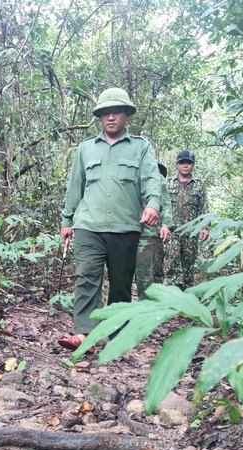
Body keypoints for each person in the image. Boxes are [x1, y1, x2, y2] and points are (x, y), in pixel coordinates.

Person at [58, 87, 164, 350]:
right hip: (88, 225)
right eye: (105, 113)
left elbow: (152, 179)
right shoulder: (85, 149)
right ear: (100, 117)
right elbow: (75, 187)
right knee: (86, 277)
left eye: (117, 112)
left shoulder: (141, 147)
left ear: (127, 114)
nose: (111, 117)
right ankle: (85, 334)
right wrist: (67, 221)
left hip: (125, 226)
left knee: (121, 283)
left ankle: (117, 336)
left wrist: (153, 205)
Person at [165, 150, 209, 290]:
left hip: (191, 232)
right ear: (177, 165)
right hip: (172, 231)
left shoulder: (199, 185)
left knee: (188, 264)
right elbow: (162, 206)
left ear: (193, 165)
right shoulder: (168, 183)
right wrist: (163, 225)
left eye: (188, 163)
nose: (185, 166)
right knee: (171, 261)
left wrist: (204, 227)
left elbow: (204, 207)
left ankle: (187, 293)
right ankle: (172, 293)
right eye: (182, 163)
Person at [135, 163, 173, 300]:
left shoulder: (157, 178)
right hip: (122, 230)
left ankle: (144, 308)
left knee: (144, 273)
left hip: (147, 232)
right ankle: (121, 311)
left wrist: (166, 224)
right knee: (120, 273)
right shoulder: (124, 172)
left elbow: (165, 202)